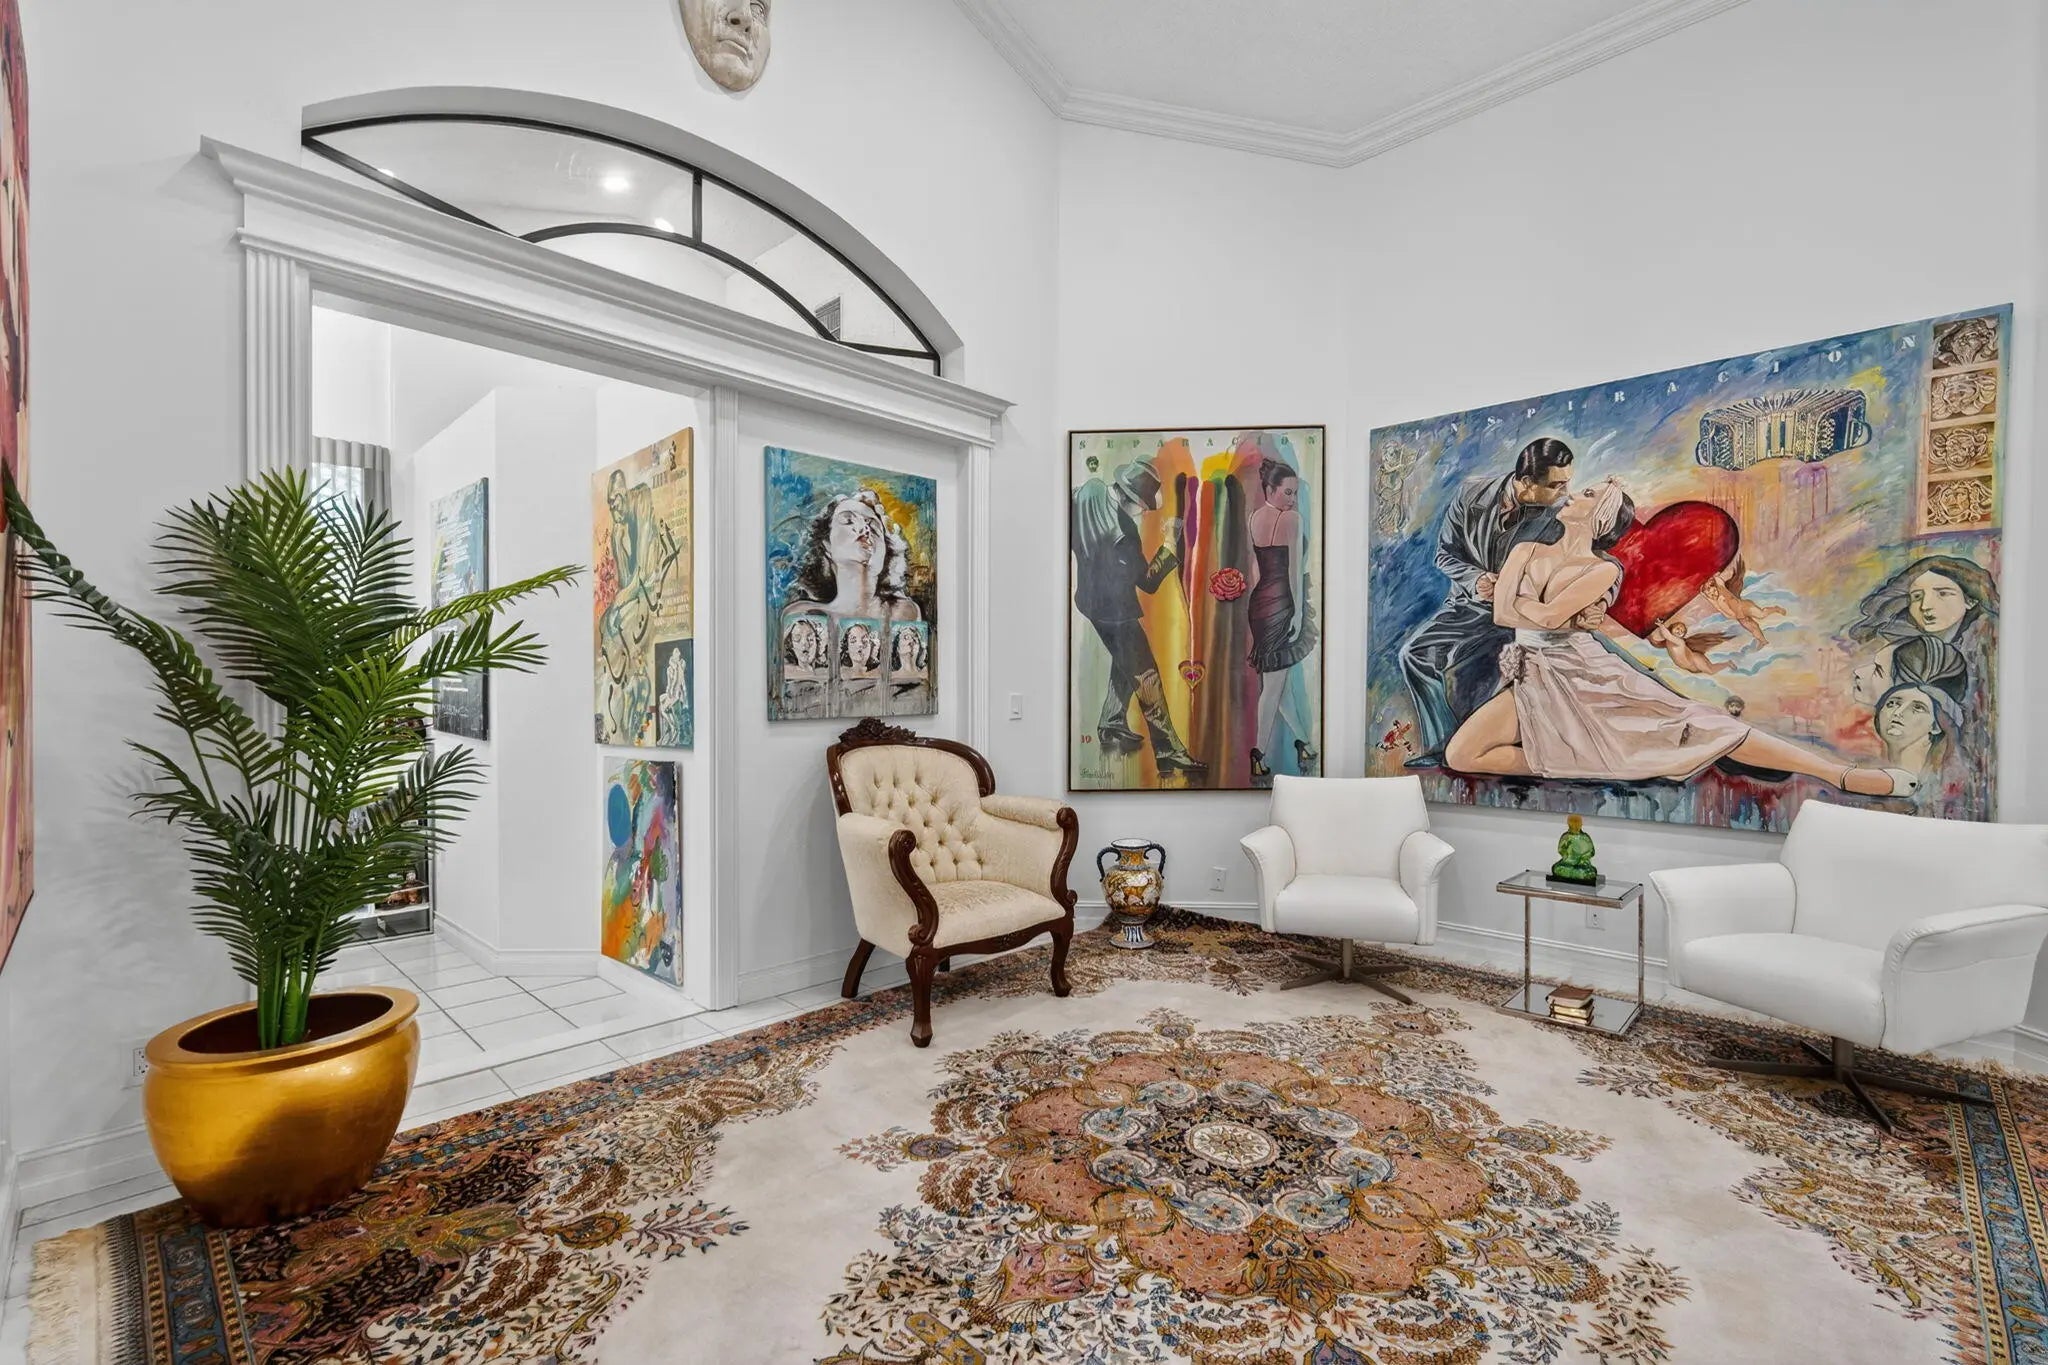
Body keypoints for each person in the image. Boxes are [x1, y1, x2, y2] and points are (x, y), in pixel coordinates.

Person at [1444, 479, 1916, 798]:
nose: (1573, 495)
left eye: (1587, 493)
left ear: (1600, 515)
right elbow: (1506, 614)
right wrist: (1543, 613)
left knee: (1697, 724)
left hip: (1585, 671)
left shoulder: (1603, 569)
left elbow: (1535, 614)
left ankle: (1840, 773)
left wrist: (1536, 609)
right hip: (1533, 672)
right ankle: (1584, 761)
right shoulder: (1526, 549)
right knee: (1462, 753)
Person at [1398, 437, 1634, 767]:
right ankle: (1441, 747)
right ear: (1526, 482)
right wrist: (1475, 580)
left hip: (1528, 615)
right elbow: (1445, 554)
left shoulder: (1561, 512)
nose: (1566, 493)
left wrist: (1601, 601)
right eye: (1556, 485)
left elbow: (1599, 558)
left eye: (1567, 483)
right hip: (1471, 607)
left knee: (1611, 670)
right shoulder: (1470, 494)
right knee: (1413, 655)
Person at [1071, 457, 1205, 775]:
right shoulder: (1125, 534)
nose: (1144, 513)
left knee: (1125, 660)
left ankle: (1112, 722)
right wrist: (1169, 543)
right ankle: (1169, 751)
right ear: (1129, 497)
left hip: (1088, 600)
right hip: (1115, 612)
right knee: (1146, 675)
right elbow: (1148, 581)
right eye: (1143, 506)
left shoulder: (1089, 491)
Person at [1246, 458, 1318, 784]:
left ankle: (1305, 744)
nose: (1292, 499)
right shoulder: (1293, 520)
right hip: (1283, 604)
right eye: (1287, 492)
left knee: (1279, 684)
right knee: (1273, 687)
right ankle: (1258, 755)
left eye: (1295, 493)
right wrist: (1298, 613)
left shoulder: (1254, 518)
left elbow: (1256, 570)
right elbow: (1293, 573)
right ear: (1270, 489)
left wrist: (1261, 605)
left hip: (1260, 604)